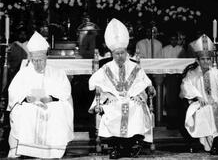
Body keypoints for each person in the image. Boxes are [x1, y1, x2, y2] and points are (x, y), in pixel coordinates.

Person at [88, 18, 156, 159]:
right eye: (117, 53)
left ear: (126, 52)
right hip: (115, 101)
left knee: (137, 108)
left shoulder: (135, 67)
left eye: (122, 53)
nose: (120, 56)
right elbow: (93, 83)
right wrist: (107, 94)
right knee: (113, 110)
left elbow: (146, 83)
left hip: (132, 99)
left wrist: (141, 94)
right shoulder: (106, 68)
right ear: (112, 53)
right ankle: (119, 146)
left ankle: (129, 145)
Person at [7, 31, 74, 159]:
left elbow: (65, 93)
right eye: (35, 61)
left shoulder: (57, 73)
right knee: (25, 112)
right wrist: (26, 99)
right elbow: (14, 94)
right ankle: (25, 150)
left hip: (51, 105)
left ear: (46, 58)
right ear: (31, 59)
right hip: (29, 106)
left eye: (41, 60)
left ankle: (52, 151)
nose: (38, 64)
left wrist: (51, 98)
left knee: (58, 110)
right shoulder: (24, 73)